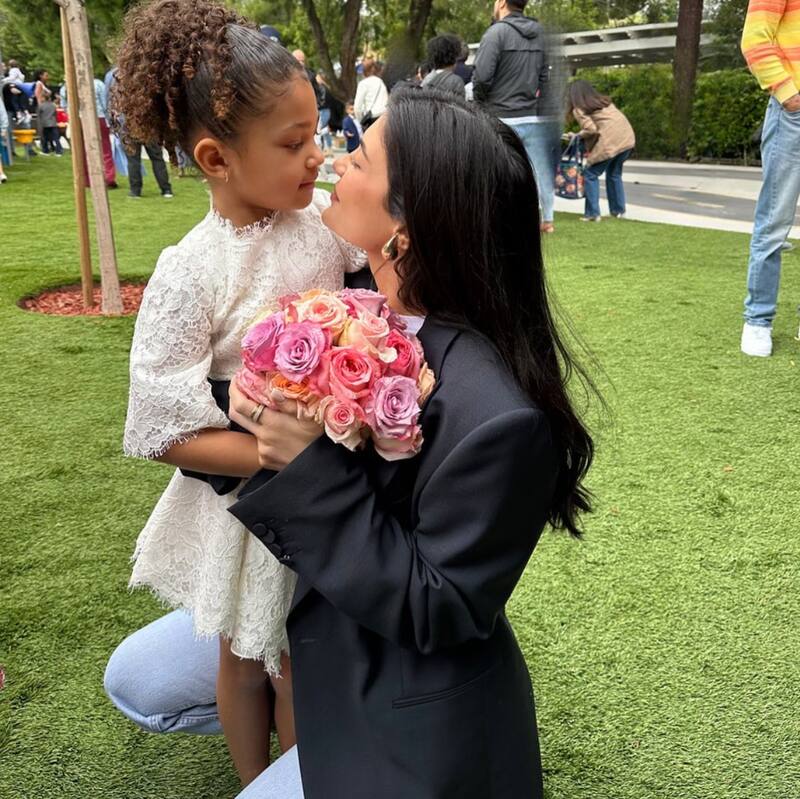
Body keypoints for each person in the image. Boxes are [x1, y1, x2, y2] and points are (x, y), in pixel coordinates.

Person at [105, 89, 596, 798]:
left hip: (391, 670)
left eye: (359, 157)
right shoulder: (345, 281)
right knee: (139, 678)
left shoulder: (501, 419)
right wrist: (247, 402)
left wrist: (306, 461)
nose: (332, 160)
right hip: (300, 589)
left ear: (407, 226)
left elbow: (437, 608)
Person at [108, 0, 362, 789]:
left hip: (326, 499)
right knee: (248, 654)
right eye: (293, 144)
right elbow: (159, 426)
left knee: (299, 663)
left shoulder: (322, 223)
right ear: (217, 159)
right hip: (249, 513)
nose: (316, 157)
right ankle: (259, 777)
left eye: (316, 133)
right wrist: (270, 454)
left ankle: (300, 772)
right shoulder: (192, 271)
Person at [740, 0, 800, 356]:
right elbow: (755, 39)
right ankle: (758, 320)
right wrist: (790, 96)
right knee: (774, 222)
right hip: (793, 114)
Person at [473, 0, 556, 233]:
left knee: (495, 173)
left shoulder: (496, 33)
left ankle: (498, 220)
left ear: (501, 2)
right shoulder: (541, 34)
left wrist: (481, 107)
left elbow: (482, 77)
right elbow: (545, 79)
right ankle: (546, 219)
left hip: (500, 115)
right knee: (536, 171)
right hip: (531, 115)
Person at [565, 80, 635, 223]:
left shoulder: (579, 109)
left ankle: (592, 214)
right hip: (627, 140)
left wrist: (576, 136)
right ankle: (618, 212)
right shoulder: (605, 103)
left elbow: (591, 129)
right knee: (614, 174)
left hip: (610, 143)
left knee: (590, 174)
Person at [354, 57, 388, 130]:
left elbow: (357, 107)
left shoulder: (363, 84)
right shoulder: (381, 82)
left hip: (372, 119)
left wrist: (361, 121)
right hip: (385, 117)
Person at [314, 73, 333, 153]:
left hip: (323, 110)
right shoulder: (326, 87)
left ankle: (321, 148)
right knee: (325, 131)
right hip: (326, 110)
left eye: (317, 77)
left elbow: (322, 100)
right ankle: (328, 148)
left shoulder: (322, 87)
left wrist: (316, 106)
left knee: (320, 130)